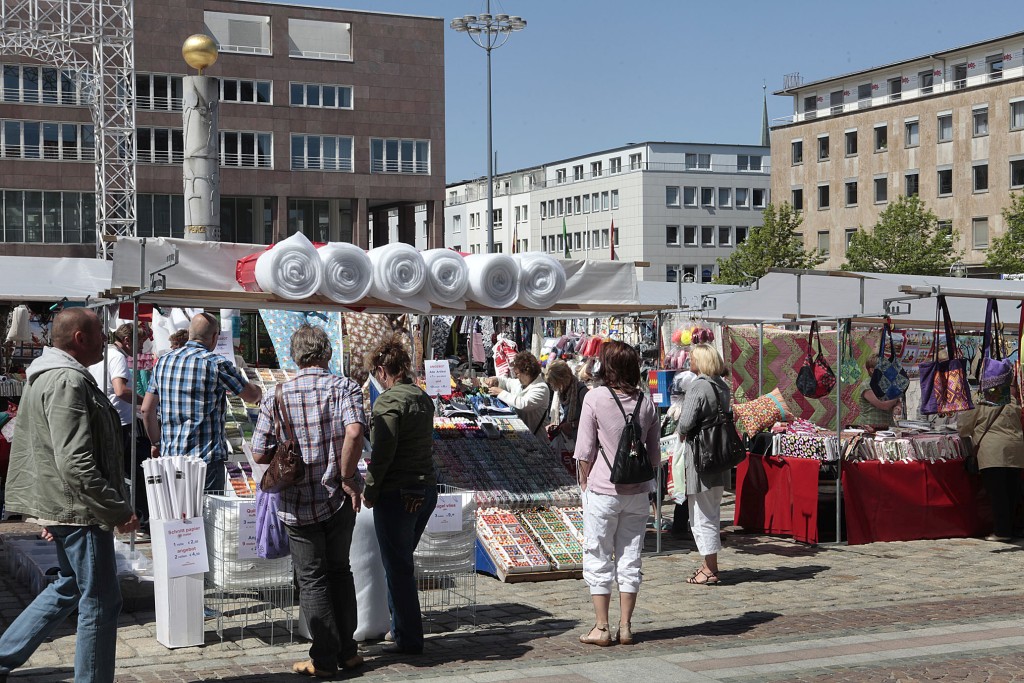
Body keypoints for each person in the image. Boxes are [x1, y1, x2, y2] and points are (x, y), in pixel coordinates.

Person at [0, 308, 139, 682]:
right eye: (100, 334)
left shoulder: (55, 376)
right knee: (101, 600)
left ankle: (3, 656)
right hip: (80, 510)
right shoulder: (66, 380)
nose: (105, 342)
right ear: (80, 337)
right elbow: (75, 462)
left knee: (69, 585)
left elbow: (50, 451)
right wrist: (116, 509)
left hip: (68, 506)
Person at [251, 325, 366, 677]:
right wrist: (347, 476)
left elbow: (258, 453)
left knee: (313, 579)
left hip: (297, 501)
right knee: (340, 571)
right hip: (338, 496)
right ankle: (348, 652)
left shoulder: (277, 395)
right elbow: (355, 431)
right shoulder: (344, 387)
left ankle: (325, 660)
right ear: (327, 353)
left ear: (295, 356)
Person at [573, 341, 660, 647]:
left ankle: (601, 627)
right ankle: (625, 626)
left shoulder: (595, 397)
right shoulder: (647, 403)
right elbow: (654, 457)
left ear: (606, 367)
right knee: (630, 557)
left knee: (598, 555)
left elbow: (584, 450)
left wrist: (584, 483)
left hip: (603, 488)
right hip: (637, 491)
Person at [362, 334, 437, 655]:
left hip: (398, 492)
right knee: (401, 561)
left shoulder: (388, 402)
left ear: (382, 371)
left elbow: (382, 453)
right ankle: (400, 628)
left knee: (398, 566)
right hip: (425, 488)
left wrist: (370, 490)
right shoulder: (422, 397)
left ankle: (408, 637)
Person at [141, 312, 262, 492]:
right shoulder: (216, 363)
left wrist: (156, 443)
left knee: (177, 509)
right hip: (206, 460)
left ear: (190, 333)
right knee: (207, 509)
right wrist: (260, 392)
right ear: (214, 337)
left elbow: (146, 410)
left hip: (171, 457)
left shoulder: (163, 362)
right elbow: (250, 395)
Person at [676, 343, 732, 586]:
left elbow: (686, 422)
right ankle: (709, 563)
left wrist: (680, 431)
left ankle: (710, 568)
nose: (690, 362)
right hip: (719, 456)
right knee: (711, 511)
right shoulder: (722, 386)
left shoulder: (699, 385)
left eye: (692, 358)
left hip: (702, 457)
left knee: (702, 515)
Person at [88, 322, 150, 536]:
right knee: (138, 472)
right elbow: (120, 390)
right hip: (121, 424)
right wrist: (147, 402)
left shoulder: (102, 355)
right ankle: (140, 521)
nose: (141, 347)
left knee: (118, 472)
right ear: (127, 340)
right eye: (139, 342)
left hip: (107, 421)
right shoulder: (117, 357)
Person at [958, 395, 1024, 541]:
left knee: (997, 493)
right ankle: (1010, 528)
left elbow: (964, 426)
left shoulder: (980, 400)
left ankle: (1002, 532)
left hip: (993, 450)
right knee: (1011, 492)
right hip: (1015, 448)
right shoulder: (1011, 399)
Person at [487, 351, 551, 438]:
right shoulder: (521, 382)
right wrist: (496, 380)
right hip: (521, 435)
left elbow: (523, 403)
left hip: (537, 439)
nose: (516, 376)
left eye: (517, 373)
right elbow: (507, 382)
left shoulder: (541, 388)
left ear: (526, 372)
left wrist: (500, 392)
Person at [545, 359, 588, 443]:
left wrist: (572, 425)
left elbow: (590, 419)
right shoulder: (562, 392)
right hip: (565, 440)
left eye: (555, 383)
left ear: (562, 379)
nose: (554, 386)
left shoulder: (581, 391)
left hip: (578, 440)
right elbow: (563, 417)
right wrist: (555, 425)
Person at [857, 353, 902, 429]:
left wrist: (898, 406)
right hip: (870, 428)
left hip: (888, 427)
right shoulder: (867, 385)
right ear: (872, 370)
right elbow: (883, 405)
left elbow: (897, 401)